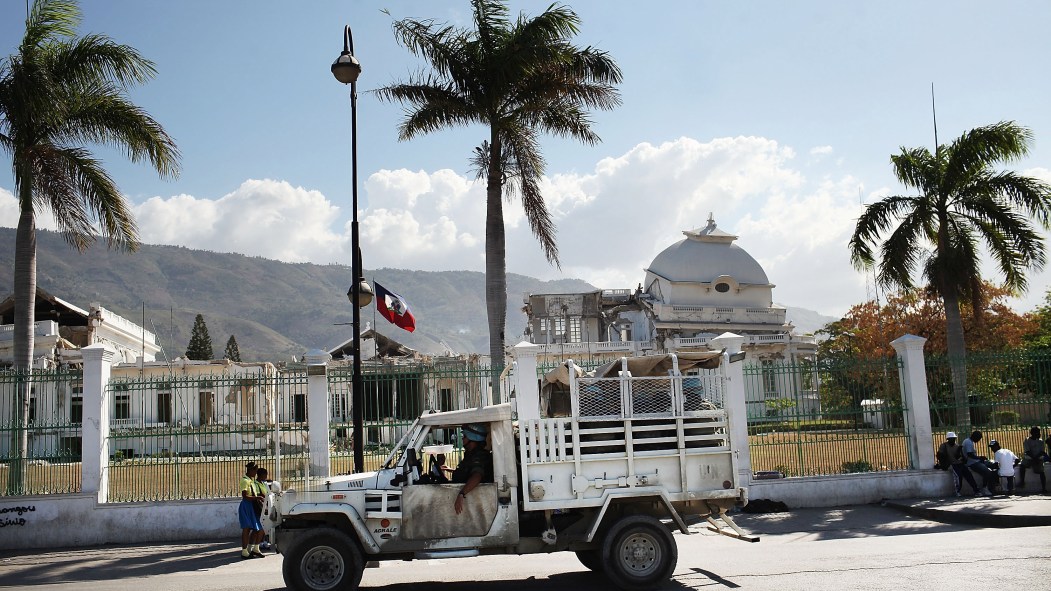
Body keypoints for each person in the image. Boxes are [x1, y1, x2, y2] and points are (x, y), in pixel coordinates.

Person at [452, 423, 493, 515]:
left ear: (473, 439)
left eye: (465, 437)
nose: (462, 439)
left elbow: (477, 476)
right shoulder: (470, 455)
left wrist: (462, 494)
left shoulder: (479, 456)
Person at [937, 431, 980, 497]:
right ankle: (957, 491)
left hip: (959, 463)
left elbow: (959, 457)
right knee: (958, 476)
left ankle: (976, 490)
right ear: (948, 439)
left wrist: (960, 452)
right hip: (951, 464)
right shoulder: (944, 446)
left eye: (954, 439)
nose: (953, 440)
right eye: (951, 439)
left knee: (969, 475)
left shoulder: (957, 446)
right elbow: (940, 455)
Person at [238, 461, 265, 559]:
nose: (256, 473)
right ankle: (244, 551)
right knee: (246, 528)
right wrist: (257, 498)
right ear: (251, 470)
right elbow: (245, 496)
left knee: (258, 529)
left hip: (252, 506)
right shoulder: (245, 481)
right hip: (246, 506)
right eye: (255, 471)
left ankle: (254, 549)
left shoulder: (251, 480)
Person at [962, 430, 994, 496]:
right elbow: (970, 454)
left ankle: (993, 485)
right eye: (979, 438)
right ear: (975, 437)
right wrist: (980, 458)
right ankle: (985, 488)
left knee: (992, 465)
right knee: (987, 472)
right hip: (972, 463)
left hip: (975, 461)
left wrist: (980, 458)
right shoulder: (968, 442)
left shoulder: (969, 441)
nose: (979, 440)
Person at [1019, 426, 1047, 493]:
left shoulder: (1041, 441)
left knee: (1042, 471)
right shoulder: (1027, 440)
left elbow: (1042, 452)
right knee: (1022, 466)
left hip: (1038, 459)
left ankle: (1044, 488)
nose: (1039, 434)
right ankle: (1022, 482)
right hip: (1030, 458)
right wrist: (1034, 458)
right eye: (1038, 432)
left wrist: (1036, 458)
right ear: (1033, 433)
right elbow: (1027, 451)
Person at [255, 467, 272, 551]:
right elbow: (259, 495)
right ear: (261, 475)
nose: (266, 476)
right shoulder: (256, 484)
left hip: (266, 505)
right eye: (265, 475)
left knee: (266, 524)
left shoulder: (263, 483)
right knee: (261, 524)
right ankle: (259, 543)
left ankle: (264, 541)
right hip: (260, 506)